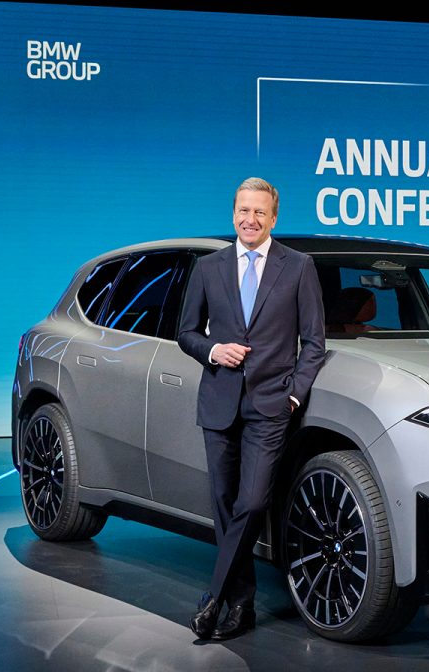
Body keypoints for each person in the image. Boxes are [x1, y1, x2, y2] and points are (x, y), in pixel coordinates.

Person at [175, 177, 326, 640]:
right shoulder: (208, 267)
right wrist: (213, 350)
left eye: (260, 212)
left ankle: (213, 599)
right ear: (233, 213)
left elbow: (314, 343)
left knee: (253, 501)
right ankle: (241, 604)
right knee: (223, 506)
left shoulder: (298, 267)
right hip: (218, 402)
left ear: (274, 218)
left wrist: (294, 395)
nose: (250, 219)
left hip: (270, 407)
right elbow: (186, 333)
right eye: (243, 210)